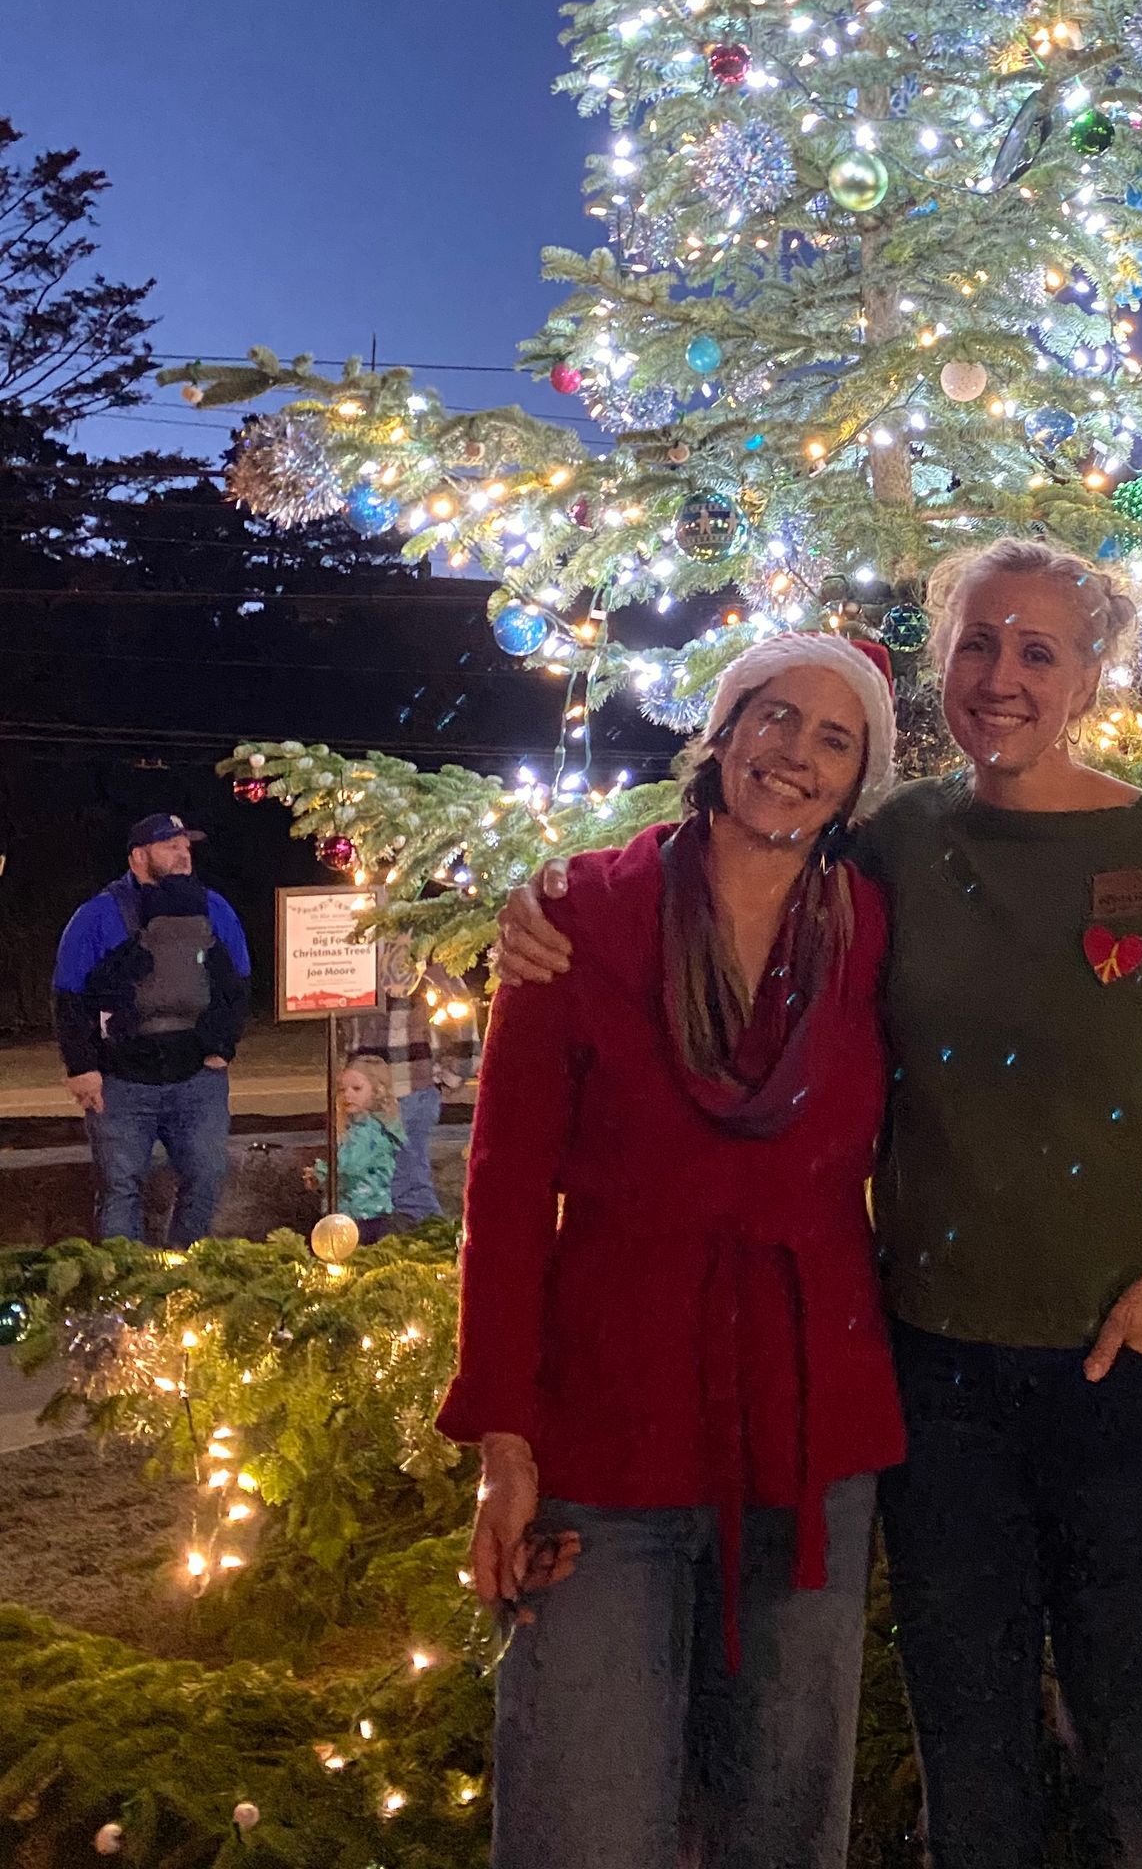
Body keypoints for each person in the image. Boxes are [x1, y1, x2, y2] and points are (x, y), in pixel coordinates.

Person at [497, 541, 1142, 1869]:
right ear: (942, 661)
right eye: (978, 643)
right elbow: (724, 851)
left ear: (1091, 676)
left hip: (1135, 1381)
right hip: (942, 1391)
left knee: (1132, 1766)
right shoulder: (897, 844)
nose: (1001, 677)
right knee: (969, 1775)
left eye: (1039, 651)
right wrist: (546, 908)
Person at [438, 637, 906, 1869]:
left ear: (859, 786)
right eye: (772, 716)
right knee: (584, 1822)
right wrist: (504, 1437)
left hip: (812, 1432)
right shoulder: (582, 913)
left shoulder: (876, 934)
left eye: (834, 738)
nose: (794, 753)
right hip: (609, 1434)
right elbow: (505, 1182)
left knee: (783, 1828)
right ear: (721, 731)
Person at [52, 811, 250, 1248]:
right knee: (120, 1188)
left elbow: (237, 986)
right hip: (121, 1082)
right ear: (139, 856)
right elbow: (69, 998)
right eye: (170, 845)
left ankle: (182, 1277)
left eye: (186, 846)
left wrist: (222, 1048)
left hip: (197, 1079)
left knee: (207, 1175)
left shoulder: (214, 908)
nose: (183, 853)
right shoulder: (99, 914)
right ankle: (125, 1289)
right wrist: (82, 1067)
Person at [345, 954, 480, 1223]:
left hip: (409, 1092)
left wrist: (447, 1078)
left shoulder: (428, 971)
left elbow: (463, 1026)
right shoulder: (356, 965)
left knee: (406, 1182)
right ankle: (384, 1247)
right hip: (365, 1096)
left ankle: (429, 1241)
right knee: (369, 1183)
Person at [309, 1054, 409, 1242]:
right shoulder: (358, 1128)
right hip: (361, 1211)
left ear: (376, 1091)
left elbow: (350, 1168)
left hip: (362, 1214)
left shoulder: (369, 1131)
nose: (347, 1095)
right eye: (342, 1090)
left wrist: (321, 1172)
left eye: (356, 1088)